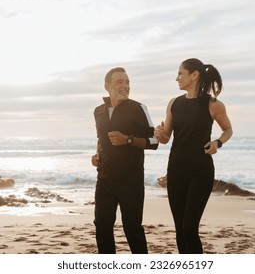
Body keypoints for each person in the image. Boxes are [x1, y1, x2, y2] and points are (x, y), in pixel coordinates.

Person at [154, 58, 233, 254]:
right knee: (180, 230)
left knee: (189, 228)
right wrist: (159, 134)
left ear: (194, 75)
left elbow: (228, 129)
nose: (177, 78)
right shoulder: (174, 103)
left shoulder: (213, 104)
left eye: (180, 73)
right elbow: (166, 138)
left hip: (200, 171)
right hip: (176, 170)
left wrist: (217, 143)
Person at [92, 67, 159, 254]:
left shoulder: (138, 108)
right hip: (104, 179)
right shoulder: (98, 111)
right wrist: (98, 154)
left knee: (132, 228)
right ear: (107, 86)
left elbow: (154, 141)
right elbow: (100, 138)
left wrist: (128, 139)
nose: (125, 86)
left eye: (127, 82)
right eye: (119, 82)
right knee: (102, 225)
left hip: (131, 180)